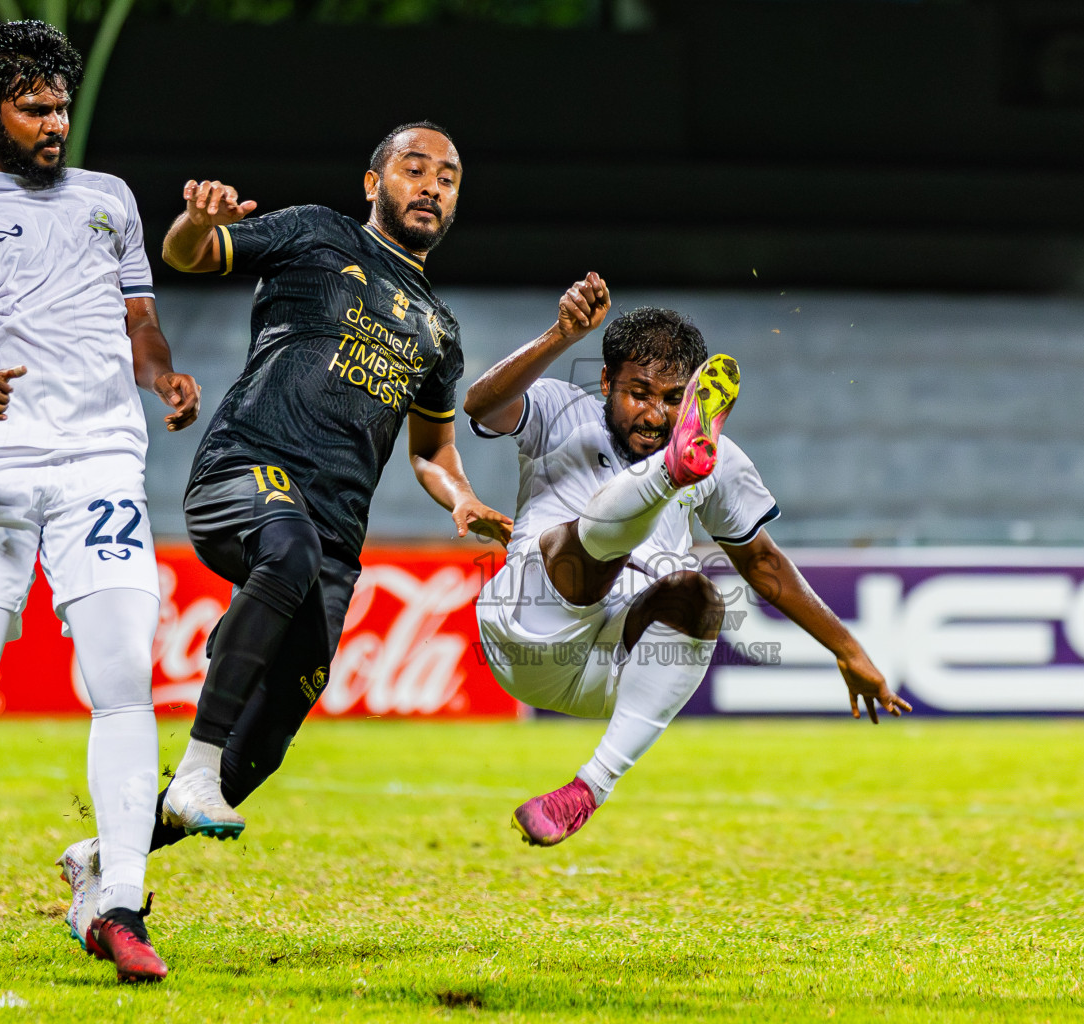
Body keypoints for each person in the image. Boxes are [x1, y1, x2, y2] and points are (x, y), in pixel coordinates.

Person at [53, 121, 511, 923]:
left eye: (449, 176)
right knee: (286, 546)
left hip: (335, 534)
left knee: (264, 744)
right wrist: (200, 218)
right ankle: (195, 763)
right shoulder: (313, 232)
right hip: (244, 469)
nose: (432, 186)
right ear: (373, 182)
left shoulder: (439, 329)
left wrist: (462, 498)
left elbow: (432, 447)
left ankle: (105, 855)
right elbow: (189, 254)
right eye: (415, 168)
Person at [0, 21, 199, 981]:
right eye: (34, 108)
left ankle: (117, 901)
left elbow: (139, 317)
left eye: (62, 105)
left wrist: (160, 375)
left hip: (100, 463)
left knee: (121, 673)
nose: (55, 122)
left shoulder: (109, 200)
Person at [464, 276, 911, 847]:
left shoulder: (723, 460)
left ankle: (588, 789)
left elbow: (763, 564)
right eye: (639, 392)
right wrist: (562, 334)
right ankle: (673, 473)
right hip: (528, 628)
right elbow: (480, 404)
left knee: (700, 595)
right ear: (604, 382)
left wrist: (848, 651)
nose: (655, 414)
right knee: (575, 549)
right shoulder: (557, 406)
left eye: (676, 398)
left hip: (613, 668)